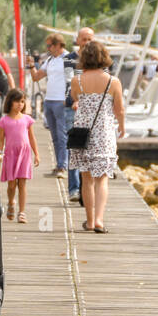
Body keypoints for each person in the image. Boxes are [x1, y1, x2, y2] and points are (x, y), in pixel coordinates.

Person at [69, 41, 125, 233]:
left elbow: (75, 99)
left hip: (83, 134)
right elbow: (119, 110)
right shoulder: (113, 82)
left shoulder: (77, 81)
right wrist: (122, 128)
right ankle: (100, 220)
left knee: (86, 179)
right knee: (102, 179)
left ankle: (90, 220)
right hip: (104, 133)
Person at [28, 34, 70, 179]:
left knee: (62, 135)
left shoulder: (68, 58)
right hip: (49, 100)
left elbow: (73, 81)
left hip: (61, 101)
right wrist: (32, 65)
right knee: (55, 136)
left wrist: (68, 98)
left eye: (49, 46)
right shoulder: (51, 60)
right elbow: (36, 77)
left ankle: (62, 166)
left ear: (58, 45)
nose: (48, 49)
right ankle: (59, 164)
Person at [0, 88, 39, 222]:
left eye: (22, 101)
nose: (20, 104)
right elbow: (1, 140)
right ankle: (10, 202)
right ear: (10, 102)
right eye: (17, 101)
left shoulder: (27, 119)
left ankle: (22, 212)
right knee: (11, 185)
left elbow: (32, 138)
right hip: (10, 155)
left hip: (24, 154)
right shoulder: (4, 121)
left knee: (22, 183)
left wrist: (36, 154)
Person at [64, 28, 95, 203]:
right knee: (74, 148)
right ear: (77, 40)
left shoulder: (98, 57)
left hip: (93, 109)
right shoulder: (69, 59)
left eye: (89, 39)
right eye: (83, 39)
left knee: (91, 149)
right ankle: (74, 188)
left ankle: (88, 190)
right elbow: (69, 82)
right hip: (73, 108)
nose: (86, 42)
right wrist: (75, 99)